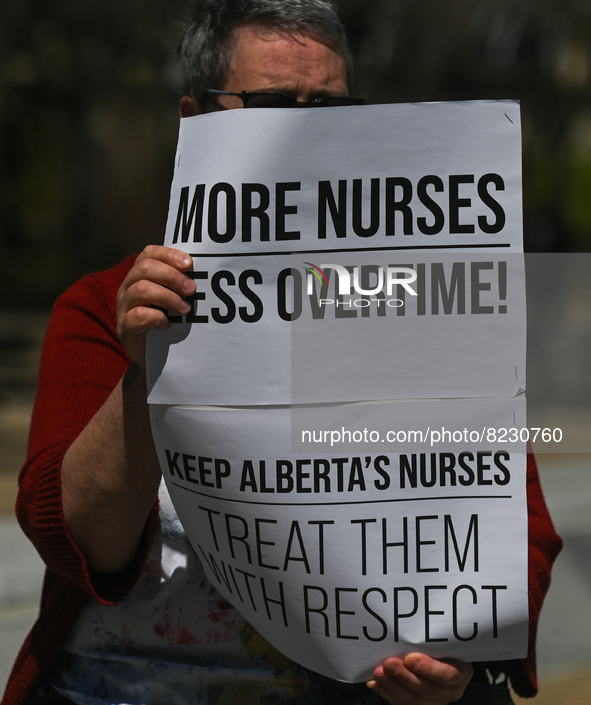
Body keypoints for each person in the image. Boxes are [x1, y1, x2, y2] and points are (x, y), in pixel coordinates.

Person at [3, 1, 562, 704]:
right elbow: (81, 542)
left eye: (326, 108)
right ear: (195, 120)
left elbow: (512, 519)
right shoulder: (104, 306)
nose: (303, 130)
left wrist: (462, 650)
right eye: (271, 104)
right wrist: (146, 367)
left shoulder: (420, 300)